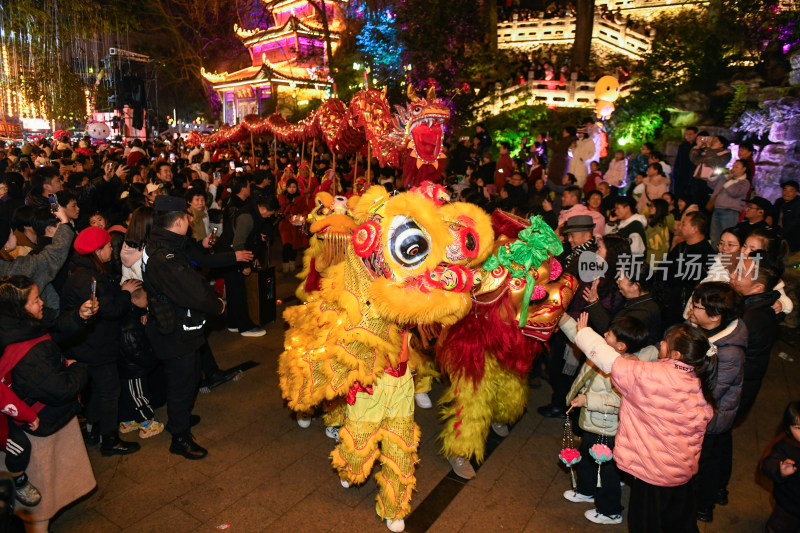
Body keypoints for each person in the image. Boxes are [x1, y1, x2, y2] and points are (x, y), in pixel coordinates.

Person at [575, 319, 715, 532]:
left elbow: (607, 359)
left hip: (653, 469)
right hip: (680, 468)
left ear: (676, 355)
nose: (660, 343)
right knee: (678, 522)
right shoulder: (697, 377)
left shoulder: (648, 376)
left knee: (646, 523)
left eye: (666, 342)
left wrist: (584, 332)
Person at [0, 275, 96, 528]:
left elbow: (56, 323)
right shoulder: (29, 351)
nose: (41, 303)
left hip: (33, 422)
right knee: (41, 498)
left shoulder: (20, 328)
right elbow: (58, 389)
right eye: (35, 301)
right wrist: (78, 369)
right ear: (18, 311)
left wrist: (80, 316)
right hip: (38, 427)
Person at [142, 195, 226, 459]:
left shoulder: (162, 243)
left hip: (177, 326)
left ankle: (180, 419)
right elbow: (193, 291)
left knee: (185, 379)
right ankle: (179, 436)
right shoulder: (165, 256)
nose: (191, 221)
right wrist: (218, 305)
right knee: (183, 382)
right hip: (176, 330)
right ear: (178, 221)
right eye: (187, 217)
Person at [562, 315, 655, 525]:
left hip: (606, 428)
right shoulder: (604, 350)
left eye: (609, 334)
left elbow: (619, 401)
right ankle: (585, 490)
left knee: (606, 470)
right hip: (592, 422)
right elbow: (581, 337)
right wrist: (561, 316)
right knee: (586, 457)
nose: (604, 335)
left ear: (621, 346)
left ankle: (610, 510)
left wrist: (589, 400)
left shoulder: (626, 369)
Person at [60, 227, 142, 456]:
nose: (111, 250)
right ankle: (110, 440)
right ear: (97, 250)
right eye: (107, 246)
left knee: (97, 390)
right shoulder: (89, 278)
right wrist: (125, 292)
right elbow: (112, 309)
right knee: (109, 392)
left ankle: (93, 430)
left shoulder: (81, 270)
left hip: (87, 344)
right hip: (97, 346)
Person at [687, 282, 747, 523]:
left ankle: (703, 505)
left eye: (697, 306)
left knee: (705, 465)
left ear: (715, 316)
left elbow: (710, 391)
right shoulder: (701, 328)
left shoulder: (730, 352)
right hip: (700, 412)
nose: (691, 309)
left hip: (711, 417)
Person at [729, 254, 781, 420]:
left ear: (757, 288)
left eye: (739, 273)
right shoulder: (753, 305)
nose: (732, 275)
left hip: (733, 393)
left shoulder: (749, 319)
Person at [117, 287, 164, 440]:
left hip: (127, 367)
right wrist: (150, 361)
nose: (148, 300)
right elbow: (135, 350)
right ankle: (146, 423)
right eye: (145, 298)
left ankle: (128, 420)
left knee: (128, 395)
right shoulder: (129, 325)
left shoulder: (128, 317)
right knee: (138, 396)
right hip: (133, 368)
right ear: (134, 300)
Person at [761, 401, 800, 533]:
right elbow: (768, 464)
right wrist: (781, 471)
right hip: (788, 505)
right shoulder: (785, 446)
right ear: (789, 428)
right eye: (799, 428)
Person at [708, 159, 751, 244]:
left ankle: (726, 256)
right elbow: (711, 185)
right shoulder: (725, 179)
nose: (733, 169)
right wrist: (714, 174)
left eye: (737, 167)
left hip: (730, 212)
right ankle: (714, 255)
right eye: (733, 166)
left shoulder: (744, 182)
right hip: (716, 210)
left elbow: (734, 192)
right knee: (714, 236)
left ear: (744, 169)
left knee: (727, 237)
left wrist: (729, 181)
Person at [689, 135, 731, 208]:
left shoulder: (725, 153)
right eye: (713, 140)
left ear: (722, 144)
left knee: (705, 204)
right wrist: (698, 147)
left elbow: (712, 161)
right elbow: (694, 159)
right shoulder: (706, 152)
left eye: (716, 141)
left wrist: (708, 148)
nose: (713, 142)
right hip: (698, 179)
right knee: (696, 203)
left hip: (711, 181)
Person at [278, 178, 309, 273]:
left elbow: (305, 209)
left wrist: (303, 215)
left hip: (296, 224)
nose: (292, 189)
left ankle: (292, 263)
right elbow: (281, 208)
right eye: (290, 187)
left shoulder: (301, 197)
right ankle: (285, 264)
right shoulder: (282, 197)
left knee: (294, 245)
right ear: (286, 187)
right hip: (285, 224)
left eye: (294, 187)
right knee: (286, 244)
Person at [645, 198, 673, 266]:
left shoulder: (665, 221)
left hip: (656, 256)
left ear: (659, 208)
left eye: (652, 206)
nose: (649, 208)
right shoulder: (651, 221)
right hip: (654, 256)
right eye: (649, 206)